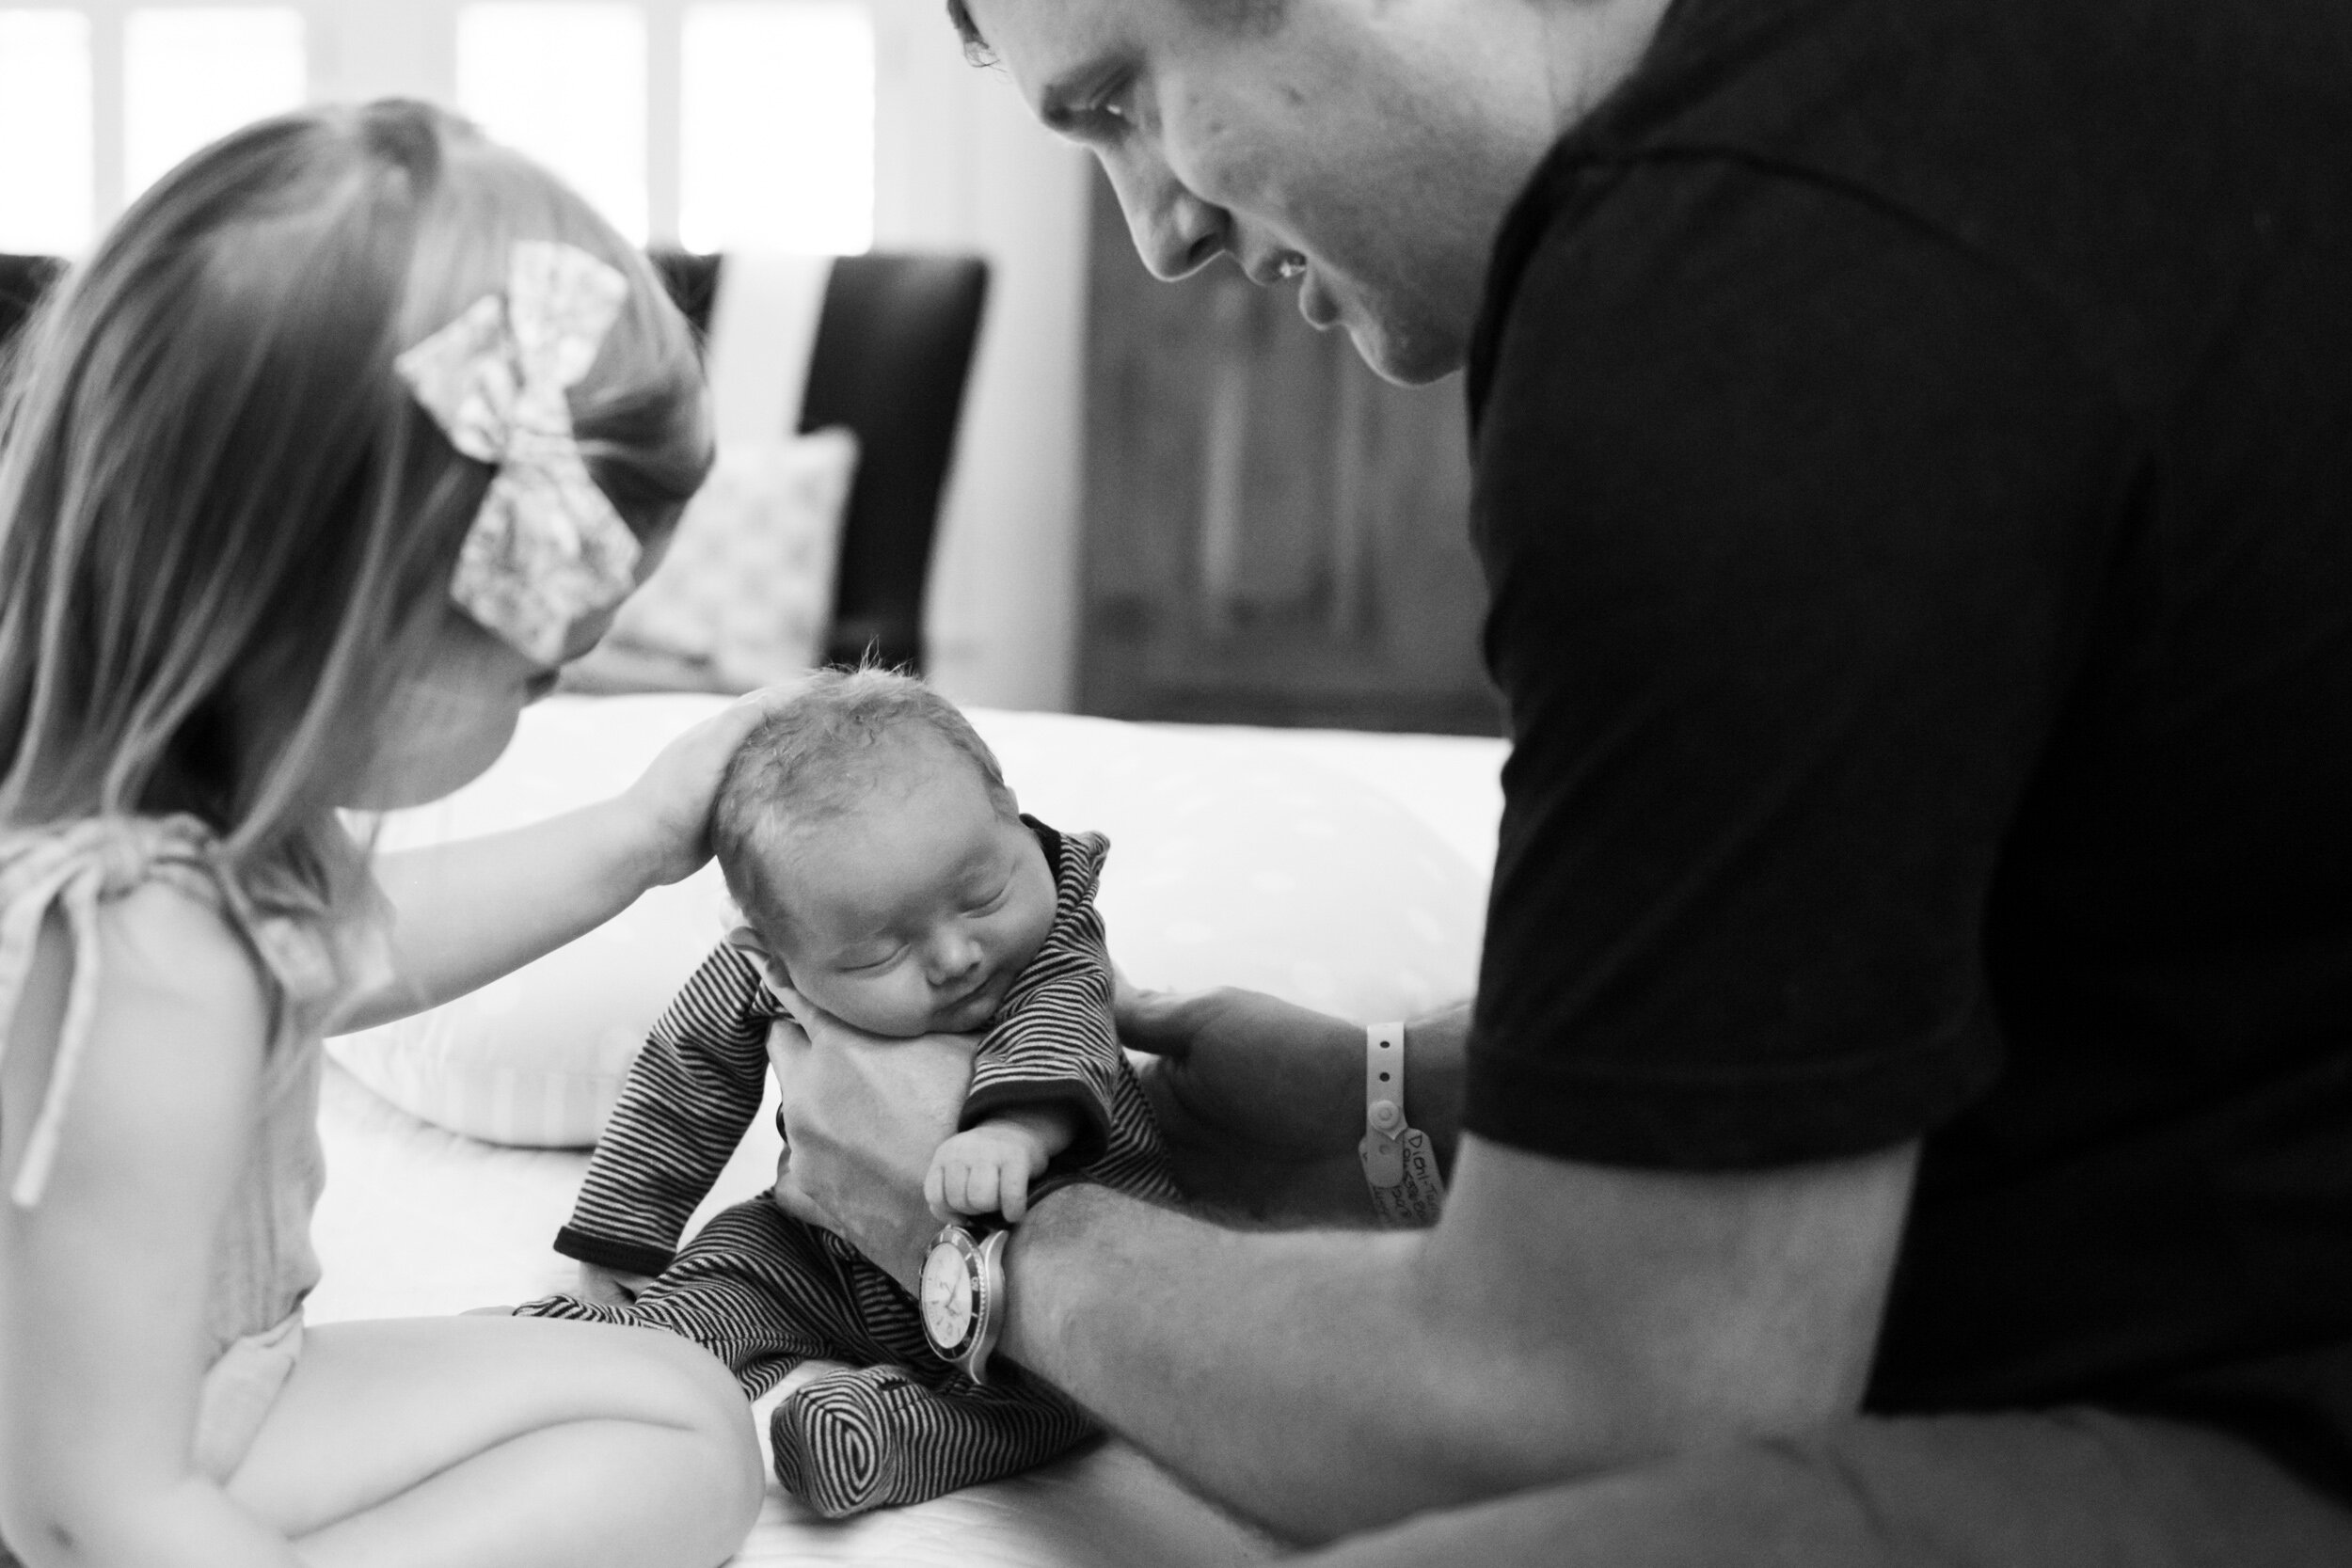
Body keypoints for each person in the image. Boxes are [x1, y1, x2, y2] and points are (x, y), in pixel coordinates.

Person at [750, 0, 2352, 1560]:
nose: (1155, 231)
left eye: (1118, 100)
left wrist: (977, 1238)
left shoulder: (1736, 296)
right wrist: (1396, 1091)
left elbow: (1590, 1401)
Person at [0, 102, 770, 1568]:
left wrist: (637, 830)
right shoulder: (149, 951)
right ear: (337, 619)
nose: (548, 698)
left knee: (675, 1388)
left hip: (168, 1403)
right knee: (682, 1441)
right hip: (137, 1451)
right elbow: (80, 1502)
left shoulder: (166, 825)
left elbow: (355, 942)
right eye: (537, 666)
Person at [516, 667, 1180, 1516]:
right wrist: (618, 1244)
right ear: (774, 955)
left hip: (1036, 1269)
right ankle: (627, 1350)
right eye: (877, 955)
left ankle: (896, 1438)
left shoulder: (1057, 931)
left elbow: (1064, 1024)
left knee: (1066, 1390)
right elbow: (684, 1081)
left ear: (1010, 811)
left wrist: (1016, 1130)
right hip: (827, 1250)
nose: (955, 956)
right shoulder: (762, 973)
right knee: (738, 1265)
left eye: (983, 894)